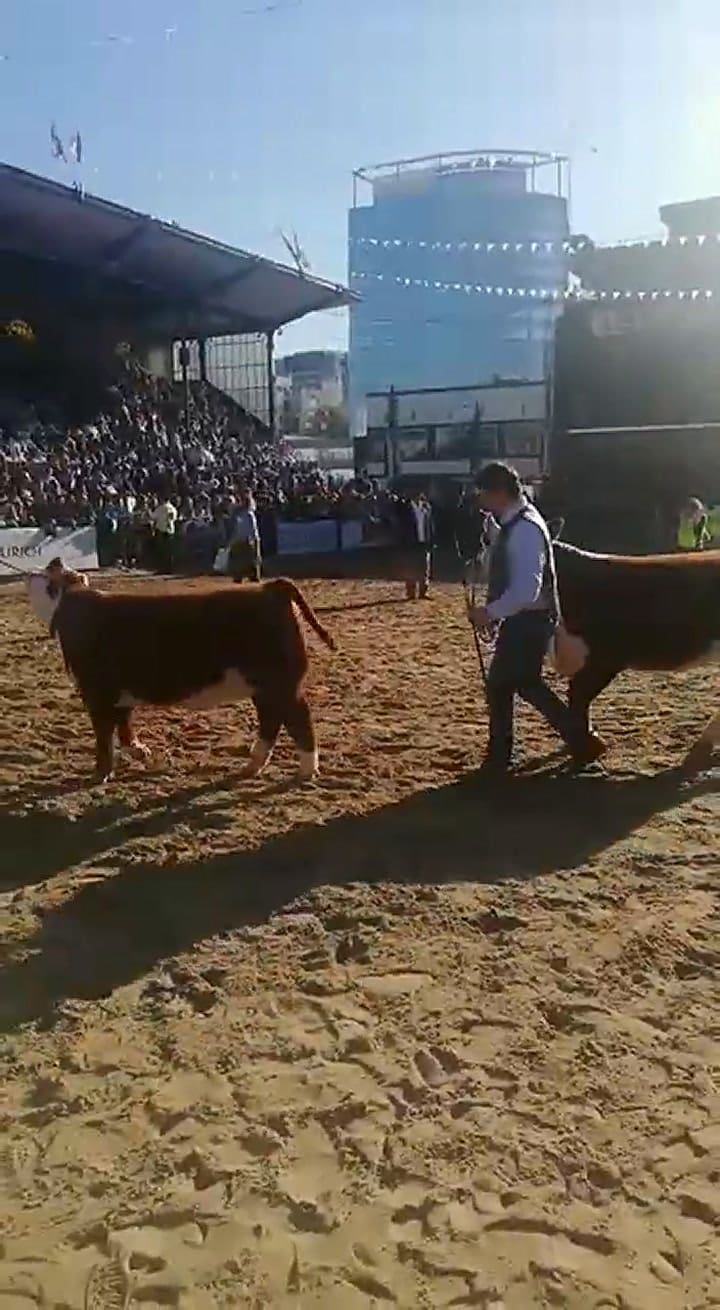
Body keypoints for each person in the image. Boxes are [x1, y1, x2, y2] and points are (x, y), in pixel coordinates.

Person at [468, 461, 605, 776]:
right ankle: (510, 753)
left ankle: (573, 742)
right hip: (527, 619)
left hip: (529, 620)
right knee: (512, 684)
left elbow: (527, 589)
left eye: (484, 494)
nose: (482, 502)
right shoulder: (517, 523)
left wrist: (489, 612)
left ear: (499, 492)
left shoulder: (525, 530)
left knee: (516, 684)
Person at [395, 490, 433, 600]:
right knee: (411, 567)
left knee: (424, 567)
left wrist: (430, 539)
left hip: (423, 541)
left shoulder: (426, 508)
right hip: (410, 542)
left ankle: (422, 592)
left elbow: (429, 525)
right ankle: (411, 592)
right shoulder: (405, 508)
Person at [227, 489, 261, 583]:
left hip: (247, 541)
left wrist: (256, 541)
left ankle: (253, 581)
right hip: (239, 541)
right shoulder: (237, 514)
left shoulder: (249, 514)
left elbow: (254, 530)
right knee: (239, 564)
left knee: (251, 563)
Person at [151, 496, 178, 573]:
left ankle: (162, 568)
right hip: (170, 531)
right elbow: (174, 518)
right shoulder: (173, 508)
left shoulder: (160, 508)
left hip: (161, 530)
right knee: (169, 551)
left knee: (161, 551)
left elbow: (153, 517)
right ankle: (169, 568)